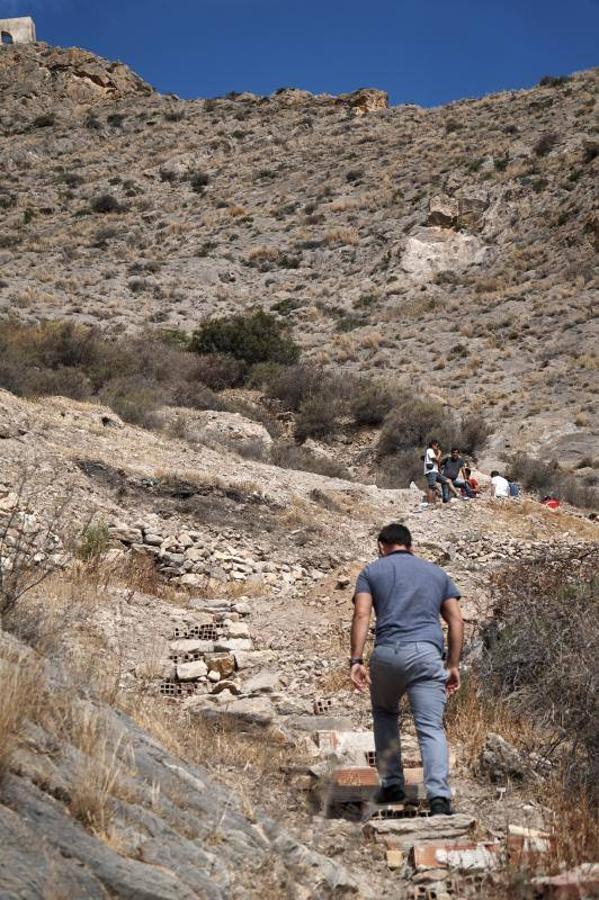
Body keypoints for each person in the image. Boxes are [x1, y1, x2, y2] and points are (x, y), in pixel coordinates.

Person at [350, 523, 464, 815]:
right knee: (430, 727)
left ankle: (392, 784)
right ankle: (439, 797)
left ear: (380, 546)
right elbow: (456, 621)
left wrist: (356, 660)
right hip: (427, 654)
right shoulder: (437, 574)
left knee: (385, 713)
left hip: (387, 653)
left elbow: (362, 613)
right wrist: (452, 664)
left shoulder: (371, 572)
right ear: (411, 546)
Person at [423, 440, 458, 505]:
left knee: (448, 481)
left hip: (435, 472)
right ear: (433, 445)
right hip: (431, 472)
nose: (437, 447)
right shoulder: (429, 450)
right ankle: (430, 504)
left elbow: (438, 462)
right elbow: (435, 460)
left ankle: (457, 495)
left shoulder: (433, 452)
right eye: (437, 445)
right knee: (432, 487)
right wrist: (439, 453)